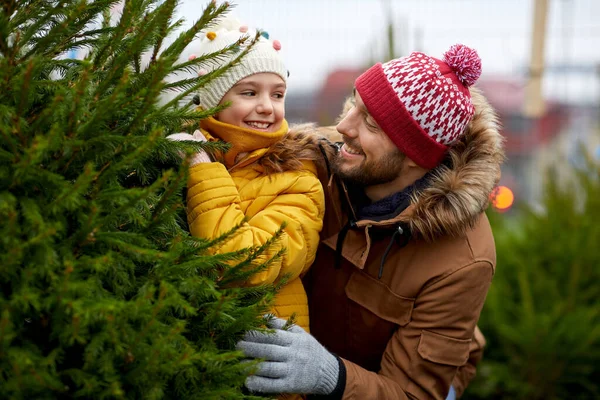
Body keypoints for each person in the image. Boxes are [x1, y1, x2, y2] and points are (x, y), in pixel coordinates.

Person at [237, 44, 505, 399]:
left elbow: (412, 393)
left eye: (371, 124)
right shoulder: (324, 159)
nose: (343, 126)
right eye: (354, 105)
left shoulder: (463, 260)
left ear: (415, 156)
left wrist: (330, 375)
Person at [168, 18, 325, 333]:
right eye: (250, 93)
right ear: (215, 99)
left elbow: (244, 263)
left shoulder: (298, 179)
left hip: (261, 358)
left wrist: (202, 169)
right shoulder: (175, 154)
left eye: (278, 95)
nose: (267, 107)